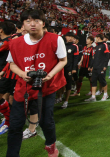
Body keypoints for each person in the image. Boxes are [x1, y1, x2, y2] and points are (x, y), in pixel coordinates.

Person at [6, 9, 67, 157]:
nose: (32, 24)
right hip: (23, 88)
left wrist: (50, 75)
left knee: (47, 121)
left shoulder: (55, 39)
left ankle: (50, 145)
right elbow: (11, 64)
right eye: (28, 21)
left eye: (37, 21)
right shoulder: (14, 43)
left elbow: (63, 60)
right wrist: (22, 74)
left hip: (47, 87)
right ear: (23, 25)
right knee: (15, 125)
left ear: (43, 23)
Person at [85, 34, 110, 102]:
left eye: (96, 38)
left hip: (101, 67)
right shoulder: (96, 46)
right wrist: (91, 66)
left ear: (98, 38)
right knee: (93, 81)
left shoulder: (104, 45)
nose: (95, 39)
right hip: (95, 67)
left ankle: (105, 94)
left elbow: (107, 56)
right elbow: (94, 58)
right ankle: (93, 97)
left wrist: (105, 65)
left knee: (102, 81)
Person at [58, 32, 79, 109]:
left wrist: (74, 68)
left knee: (68, 84)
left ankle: (66, 101)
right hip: (60, 68)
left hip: (69, 68)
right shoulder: (61, 45)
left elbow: (76, 59)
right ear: (65, 37)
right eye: (68, 36)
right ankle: (59, 97)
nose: (70, 38)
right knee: (59, 83)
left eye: (72, 37)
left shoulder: (75, 46)